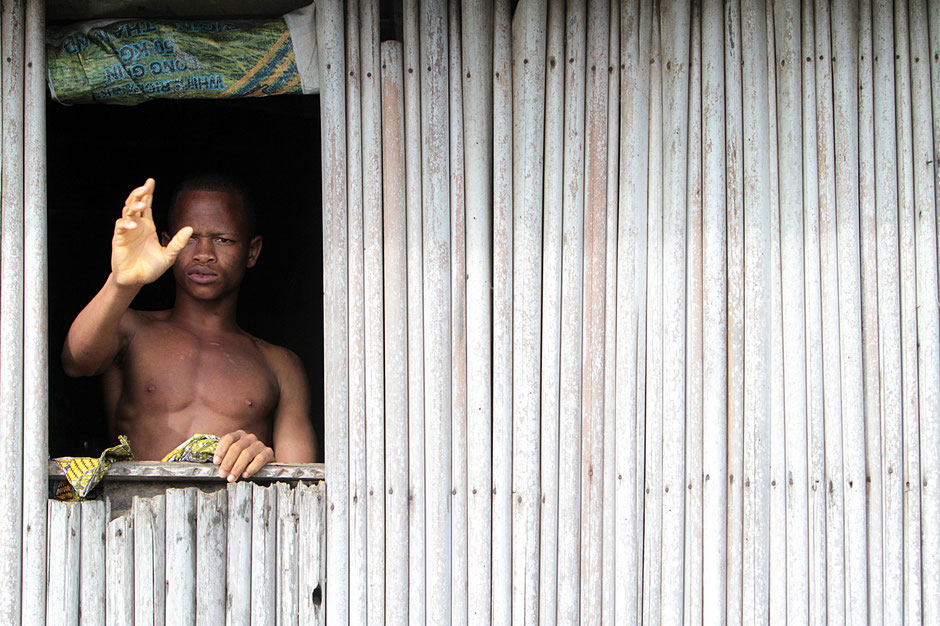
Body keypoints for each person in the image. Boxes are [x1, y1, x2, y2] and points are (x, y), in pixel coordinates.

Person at [62, 176, 317, 480]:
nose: (204, 253)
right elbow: (76, 361)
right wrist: (122, 282)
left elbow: (302, 484)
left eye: (223, 239)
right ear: (168, 242)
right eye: (190, 238)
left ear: (252, 251)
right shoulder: (130, 329)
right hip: (134, 520)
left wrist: (265, 457)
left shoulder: (279, 365)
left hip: (239, 521)